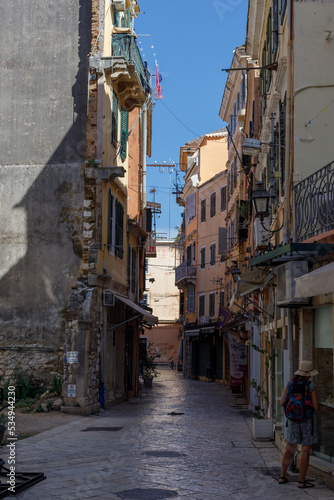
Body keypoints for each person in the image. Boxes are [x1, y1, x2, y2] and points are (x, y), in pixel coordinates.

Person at [278, 360, 319, 488]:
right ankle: (301, 481)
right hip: (307, 422)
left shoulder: (290, 383)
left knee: (289, 448)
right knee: (305, 450)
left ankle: (282, 477)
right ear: (309, 374)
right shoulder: (311, 386)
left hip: (293, 421)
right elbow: (316, 406)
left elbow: (281, 402)